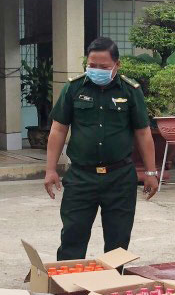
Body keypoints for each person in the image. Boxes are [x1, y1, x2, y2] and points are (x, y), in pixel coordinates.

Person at [43, 37, 159, 259]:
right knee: (72, 237)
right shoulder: (73, 88)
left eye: (103, 67)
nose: (96, 70)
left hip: (119, 177)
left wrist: (151, 172)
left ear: (117, 65)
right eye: (92, 66)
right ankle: (68, 289)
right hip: (81, 177)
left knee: (118, 241)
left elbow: (143, 133)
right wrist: (50, 169)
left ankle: (111, 287)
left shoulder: (130, 90)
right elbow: (58, 130)